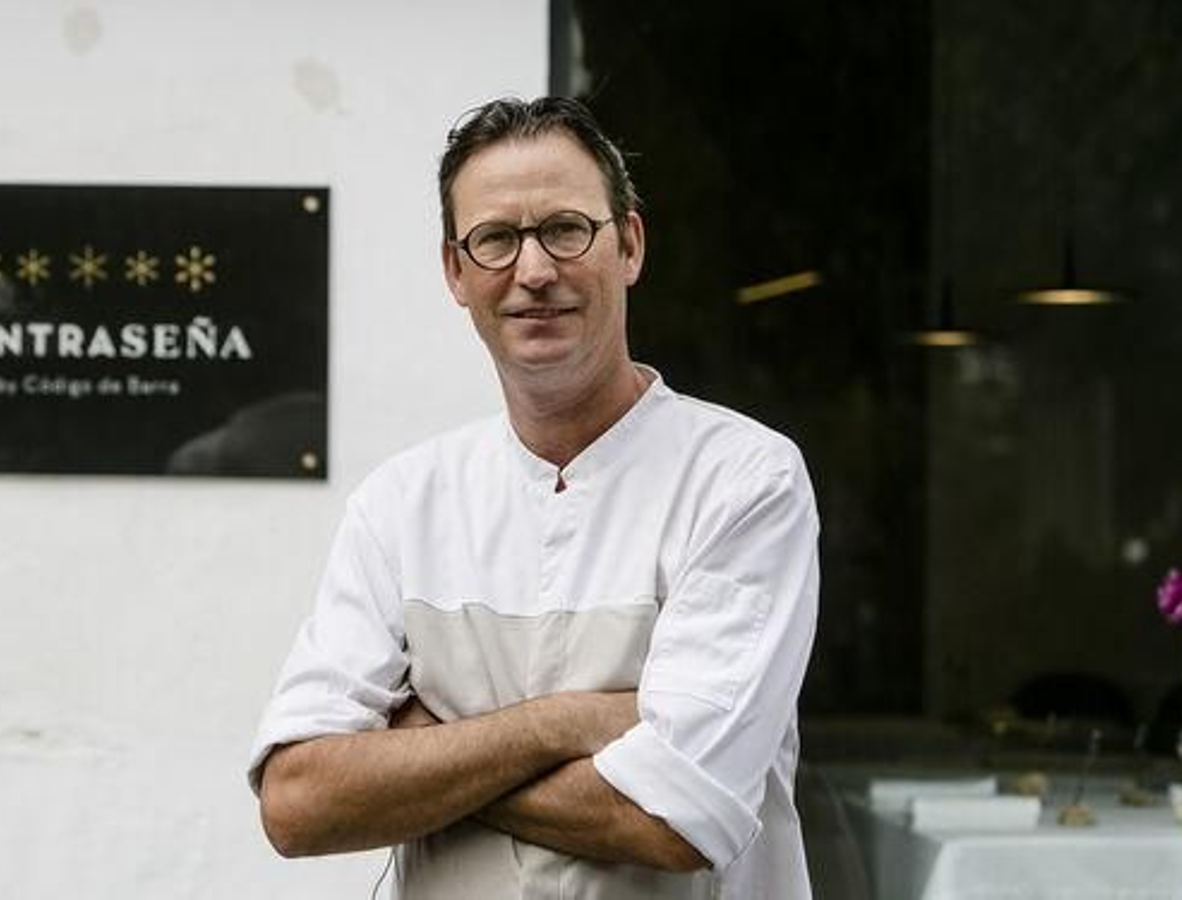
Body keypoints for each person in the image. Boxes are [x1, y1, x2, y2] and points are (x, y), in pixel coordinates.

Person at [248, 96, 820, 899]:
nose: (534, 270)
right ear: (455, 271)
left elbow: (679, 814)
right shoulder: (401, 505)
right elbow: (298, 803)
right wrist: (557, 726)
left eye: (565, 228)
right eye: (495, 239)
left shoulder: (741, 481)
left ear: (629, 244)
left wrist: (423, 759)